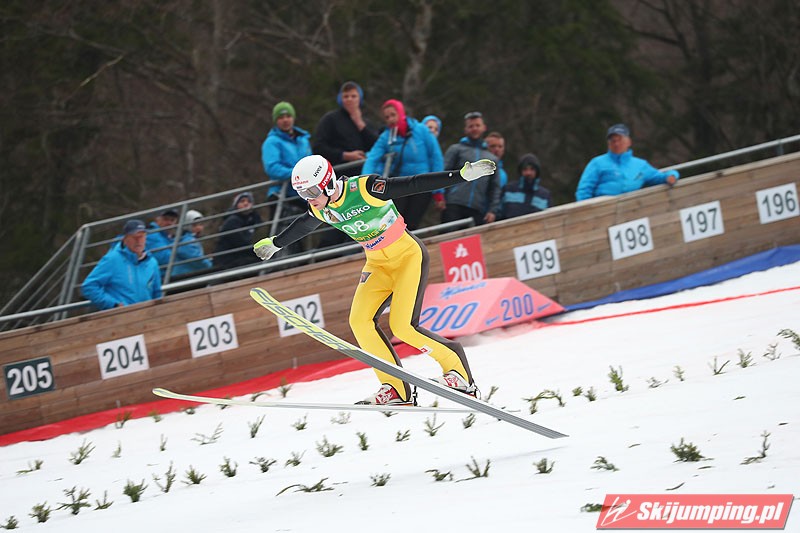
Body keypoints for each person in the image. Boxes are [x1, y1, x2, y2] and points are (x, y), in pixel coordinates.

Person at [252, 154, 496, 405]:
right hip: (377, 265)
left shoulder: (365, 188)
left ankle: (458, 372)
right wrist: (276, 243)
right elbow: (303, 225)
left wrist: (460, 176)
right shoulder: (320, 208)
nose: (309, 198)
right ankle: (395, 388)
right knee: (360, 322)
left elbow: (414, 183)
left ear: (328, 183)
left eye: (311, 191)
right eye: (302, 194)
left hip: (407, 257)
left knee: (403, 327)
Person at [313, 81, 380, 249]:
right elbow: (318, 147)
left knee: (359, 217)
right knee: (336, 219)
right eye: (346, 96)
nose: (349, 99)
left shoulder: (365, 122)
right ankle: (324, 253)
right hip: (337, 179)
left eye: (353, 96)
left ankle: (356, 250)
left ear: (360, 99)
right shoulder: (330, 119)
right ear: (340, 99)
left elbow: (378, 145)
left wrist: (360, 123)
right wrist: (345, 155)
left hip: (360, 179)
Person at [362, 99, 444, 230]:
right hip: (401, 184)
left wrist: (438, 190)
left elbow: (436, 157)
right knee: (396, 222)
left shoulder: (421, 130)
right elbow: (372, 158)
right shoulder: (386, 137)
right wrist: (365, 183)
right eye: (387, 117)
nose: (390, 119)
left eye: (393, 115)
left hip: (423, 183)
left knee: (413, 222)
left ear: (401, 113)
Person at [575, 123, 680, 201]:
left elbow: (658, 177)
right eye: (613, 141)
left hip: (632, 208)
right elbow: (584, 190)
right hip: (603, 209)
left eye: (620, 140)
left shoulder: (640, 165)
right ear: (608, 144)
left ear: (629, 142)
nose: (616, 144)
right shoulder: (597, 163)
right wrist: (587, 210)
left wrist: (672, 175)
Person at [261, 101, 312, 256]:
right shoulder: (272, 142)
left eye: (288, 116)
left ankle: (304, 261)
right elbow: (272, 167)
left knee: (304, 234)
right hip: (283, 196)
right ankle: (281, 264)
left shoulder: (303, 139)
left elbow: (310, 161)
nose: (285, 120)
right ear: (276, 120)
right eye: (281, 117)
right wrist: (298, 174)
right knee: (284, 237)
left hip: (303, 195)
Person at [438, 111, 502, 226]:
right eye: (471, 126)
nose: (474, 129)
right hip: (454, 203)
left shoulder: (491, 158)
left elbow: (495, 187)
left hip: (477, 209)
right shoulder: (456, 150)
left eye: (477, 125)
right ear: (466, 129)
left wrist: (492, 210)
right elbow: (443, 173)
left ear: (484, 127)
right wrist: (440, 196)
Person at [81, 219, 162, 310]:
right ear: (125, 238)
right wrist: (113, 305)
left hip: (146, 315)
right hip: (120, 316)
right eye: (134, 237)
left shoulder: (152, 263)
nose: (139, 241)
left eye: (142, 236)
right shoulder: (112, 259)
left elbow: (157, 293)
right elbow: (89, 286)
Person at [213, 191, 263, 270]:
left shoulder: (250, 220)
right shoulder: (233, 221)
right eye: (242, 201)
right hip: (227, 261)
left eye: (249, 201)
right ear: (236, 205)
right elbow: (241, 243)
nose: (246, 203)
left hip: (238, 257)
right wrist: (259, 253)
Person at [498, 153, 551, 220]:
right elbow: (498, 213)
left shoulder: (544, 196)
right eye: (525, 169)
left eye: (532, 169)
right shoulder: (508, 190)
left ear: (537, 172)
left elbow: (549, 219)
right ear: (520, 171)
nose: (528, 173)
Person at [171, 209, 213, 277]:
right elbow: (198, 260)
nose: (199, 228)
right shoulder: (187, 242)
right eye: (194, 225)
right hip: (183, 277)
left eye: (201, 224)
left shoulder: (190, 239)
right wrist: (212, 265)